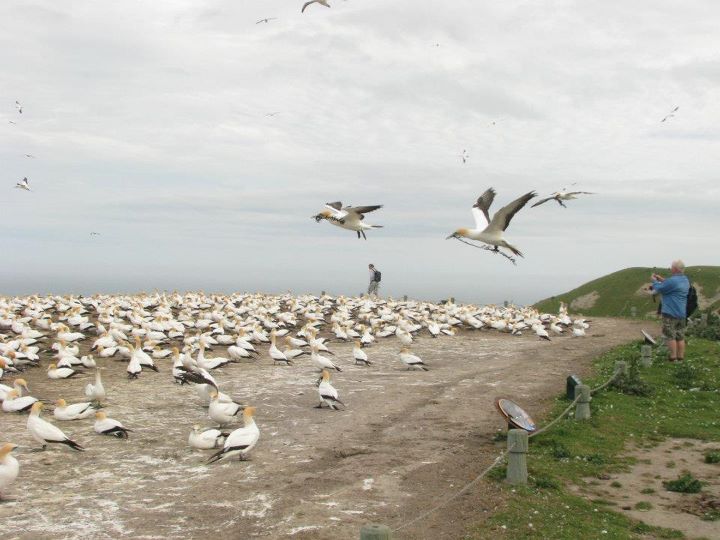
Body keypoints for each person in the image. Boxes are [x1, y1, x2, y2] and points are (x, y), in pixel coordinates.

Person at [651, 260, 690, 362]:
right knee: (680, 336)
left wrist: (654, 281)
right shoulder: (685, 280)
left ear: (675, 269)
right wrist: (662, 279)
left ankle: (673, 357)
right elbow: (672, 285)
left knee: (670, 335)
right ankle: (680, 357)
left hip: (670, 313)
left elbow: (659, 288)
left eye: (671, 267)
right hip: (681, 313)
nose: (670, 268)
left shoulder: (672, 281)